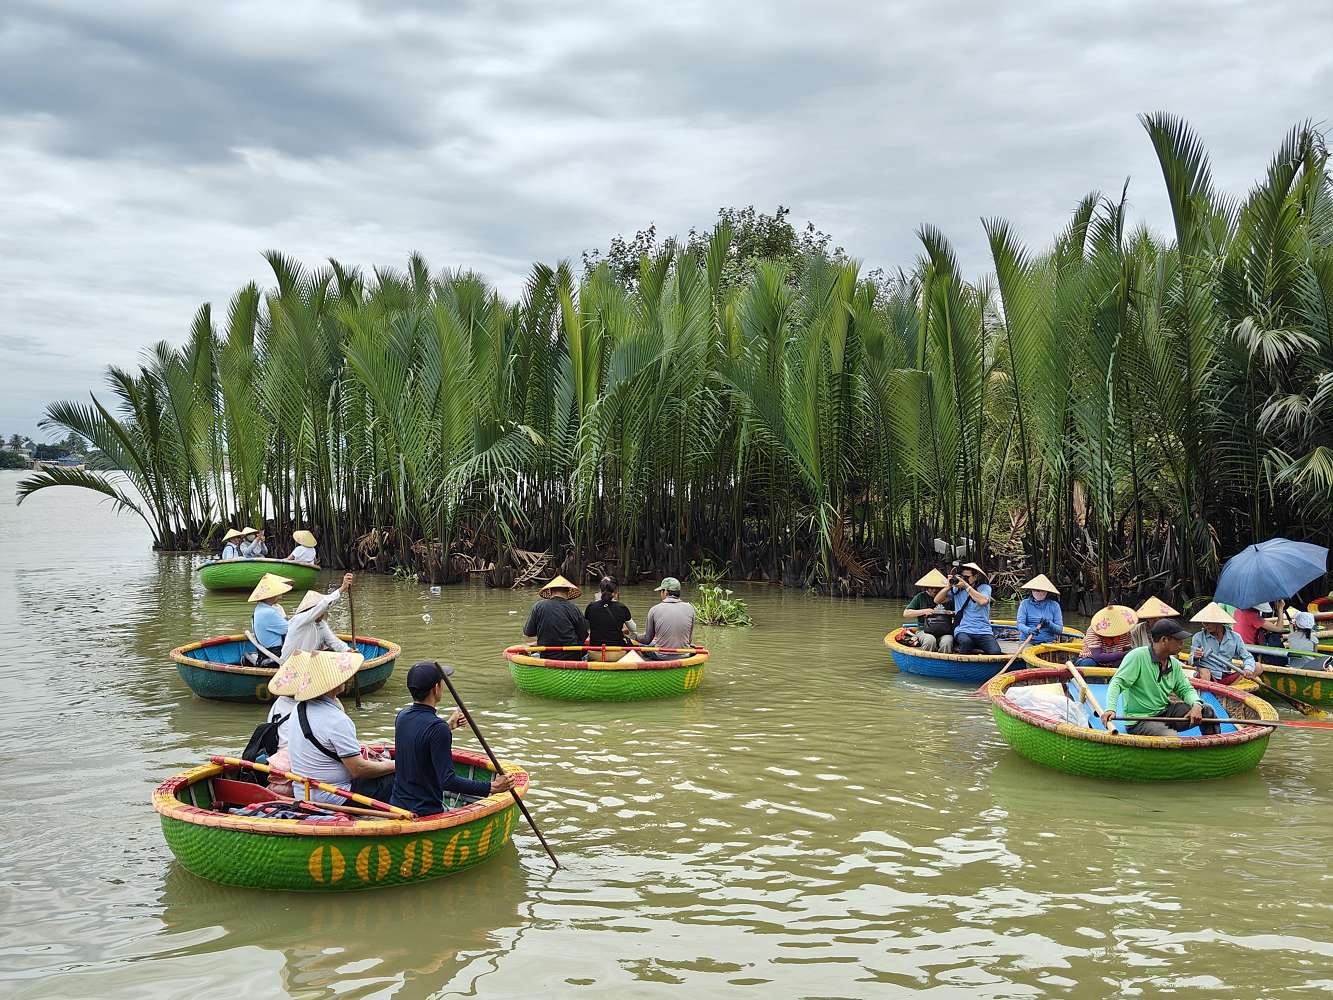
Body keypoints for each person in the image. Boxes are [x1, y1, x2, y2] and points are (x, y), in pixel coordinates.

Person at [391, 662, 516, 816]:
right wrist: (491, 787)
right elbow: (448, 780)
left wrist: (448, 725)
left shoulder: (402, 716)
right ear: (436, 688)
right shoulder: (437, 728)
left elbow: (421, 740)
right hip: (425, 811)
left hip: (397, 806)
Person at [283, 649, 396, 803]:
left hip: (304, 791)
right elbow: (359, 770)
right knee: (398, 778)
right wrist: (397, 765)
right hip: (333, 794)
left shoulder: (299, 708)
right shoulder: (336, 720)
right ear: (330, 684)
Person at [1099, 619, 1219, 736]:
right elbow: (1117, 683)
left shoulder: (1174, 664)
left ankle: (1214, 753)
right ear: (1164, 640)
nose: (1182, 643)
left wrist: (1196, 705)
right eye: (1178, 640)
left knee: (1207, 711)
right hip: (1140, 720)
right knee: (1169, 736)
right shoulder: (1137, 657)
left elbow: (1185, 689)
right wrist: (1111, 709)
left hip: (1165, 712)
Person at [279, 576, 354, 663]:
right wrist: (342, 589)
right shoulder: (299, 619)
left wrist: (348, 650)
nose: (322, 614)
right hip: (289, 663)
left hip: (307, 663)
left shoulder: (321, 625)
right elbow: (323, 605)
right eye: (320, 611)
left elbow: (334, 642)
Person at [933, 562, 997, 655]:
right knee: (966, 643)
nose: (964, 580)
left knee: (995, 652)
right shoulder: (957, 590)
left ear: (975, 577)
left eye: (967, 577)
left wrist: (966, 586)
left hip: (983, 630)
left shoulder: (984, 588)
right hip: (963, 629)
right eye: (963, 577)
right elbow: (937, 600)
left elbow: (983, 601)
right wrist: (949, 586)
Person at [1189, 601, 1259, 684]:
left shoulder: (1235, 637)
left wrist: (1248, 669)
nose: (1205, 624)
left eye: (1209, 621)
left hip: (1226, 675)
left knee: (1258, 666)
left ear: (1220, 622)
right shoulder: (1198, 637)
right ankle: (1209, 693)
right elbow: (1190, 661)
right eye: (1203, 621)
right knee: (1204, 672)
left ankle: (1230, 689)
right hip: (1209, 676)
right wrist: (1196, 657)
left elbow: (1247, 657)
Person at [523, 575, 589, 660]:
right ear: (568, 591)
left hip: (547, 655)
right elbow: (583, 633)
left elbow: (528, 632)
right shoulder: (574, 608)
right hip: (571, 656)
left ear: (550, 591)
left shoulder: (538, 606)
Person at [632, 577, 698, 660]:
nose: (660, 594)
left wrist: (634, 636)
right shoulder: (690, 608)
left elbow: (646, 639)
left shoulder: (654, 609)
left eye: (661, 591)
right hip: (684, 654)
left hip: (661, 655)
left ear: (666, 592)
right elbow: (689, 639)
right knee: (653, 643)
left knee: (640, 646)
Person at [248, 572, 296, 660]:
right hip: (274, 656)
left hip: (265, 653)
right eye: (278, 593)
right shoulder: (268, 612)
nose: (280, 596)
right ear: (271, 595)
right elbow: (291, 629)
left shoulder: (260, 609)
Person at [585, 576, 633, 662]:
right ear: (615, 592)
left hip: (594, 654)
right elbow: (633, 629)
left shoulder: (591, 607)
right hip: (617, 654)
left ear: (600, 591)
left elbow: (586, 629)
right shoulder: (622, 607)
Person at [904, 569, 953, 653]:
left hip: (945, 631)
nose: (934, 590)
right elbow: (906, 613)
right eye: (931, 588)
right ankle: (927, 662)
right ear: (926, 587)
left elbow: (959, 613)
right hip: (924, 630)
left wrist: (950, 613)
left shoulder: (950, 597)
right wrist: (924, 611)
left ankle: (944, 663)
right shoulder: (920, 597)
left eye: (937, 588)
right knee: (930, 640)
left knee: (947, 641)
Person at [1015, 574, 1064, 645]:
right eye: (1036, 590)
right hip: (1027, 641)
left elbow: (1059, 630)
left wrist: (1049, 623)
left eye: (1042, 591)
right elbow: (1020, 625)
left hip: (1048, 643)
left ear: (1046, 591)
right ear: (1031, 590)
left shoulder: (1054, 605)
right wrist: (1029, 630)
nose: (1038, 593)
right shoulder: (1024, 604)